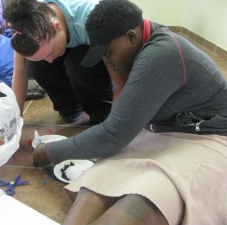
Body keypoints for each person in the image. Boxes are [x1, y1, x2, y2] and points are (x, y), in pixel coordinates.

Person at [19, 0, 227, 224]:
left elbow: (113, 134)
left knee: (144, 198)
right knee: (100, 182)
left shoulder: (162, 52)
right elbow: (120, 124)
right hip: (162, 129)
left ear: (131, 37)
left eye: (108, 53)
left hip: (207, 135)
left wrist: (46, 152)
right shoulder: (139, 45)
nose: (108, 61)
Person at [3, 0, 125, 123]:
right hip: (71, 43)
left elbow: (121, 81)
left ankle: (102, 112)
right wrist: (16, 120)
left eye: (50, 53)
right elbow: (20, 71)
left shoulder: (93, 21)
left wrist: (114, 123)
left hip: (106, 50)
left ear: (57, 26)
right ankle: (71, 109)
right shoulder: (25, 31)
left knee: (78, 62)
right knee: (35, 64)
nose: (49, 61)